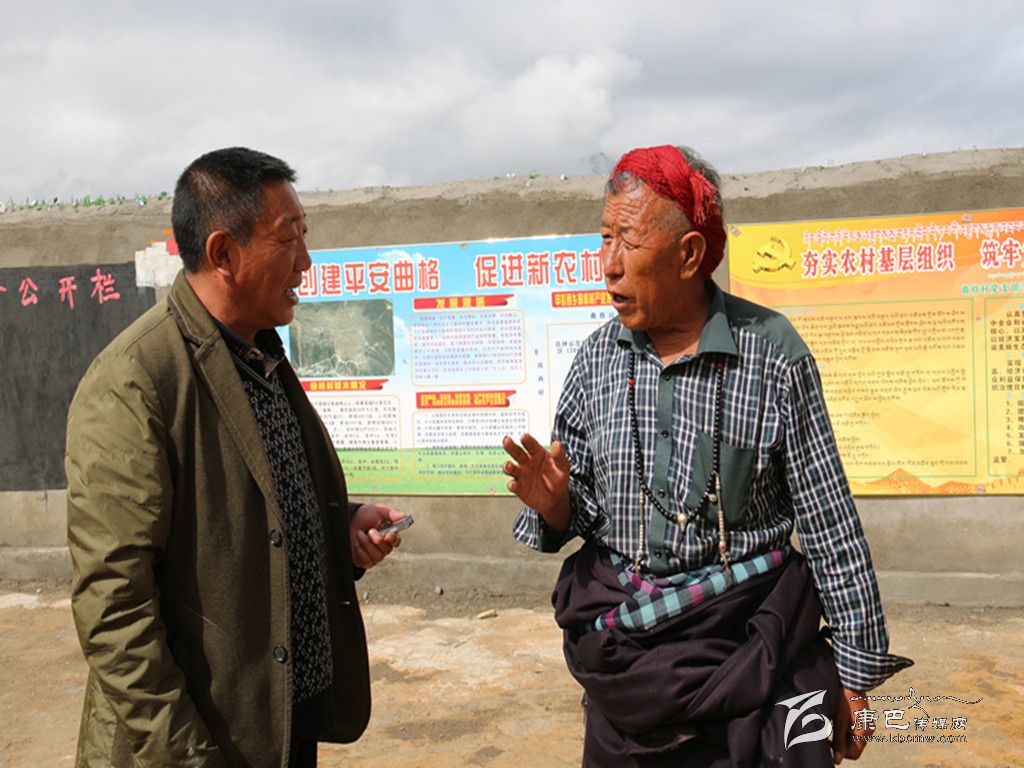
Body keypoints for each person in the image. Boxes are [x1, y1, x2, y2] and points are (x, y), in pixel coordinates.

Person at [503, 144, 911, 766]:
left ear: (690, 255)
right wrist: (555, 503)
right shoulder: (596, 362)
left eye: (628, 241)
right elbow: (581, 513)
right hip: (628, 661)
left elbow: (830, 524)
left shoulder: (771, 355)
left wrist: (855, 677)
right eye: (605, 237)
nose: (608, 265)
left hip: (751, 641)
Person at [66, 147, 407, 767]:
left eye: (305, 233)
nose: (306, 261)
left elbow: (254, 514)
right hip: (197, 746)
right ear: (223, 253)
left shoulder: (261, 356)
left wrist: (338, 531)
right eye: (289, 237)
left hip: (279, 725)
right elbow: (113, 609)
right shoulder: (135, 381)